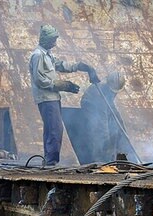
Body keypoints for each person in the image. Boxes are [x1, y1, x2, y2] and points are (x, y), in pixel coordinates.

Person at [29, 24, 100, 165]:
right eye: (52, 40)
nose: (54, 43)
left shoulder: (47, 55)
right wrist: (60, 85)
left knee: (52, 128)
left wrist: (80, 66)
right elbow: (40, 80)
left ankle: (50, 160)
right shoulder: (38, 56)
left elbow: (61, 65)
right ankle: (51, 162)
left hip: (53, 97)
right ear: (45, 39)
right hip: (46, 98)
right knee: (54, 129)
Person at [80, 71, 127, 163]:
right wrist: (107, 142)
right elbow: (103, 123)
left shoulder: (111, 89)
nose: (115, 93)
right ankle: (99, 159)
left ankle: (119, 155)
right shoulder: (99, 92)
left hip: (106, 103)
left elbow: (110, 105)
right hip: (90, 103)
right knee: (99, 130)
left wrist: (123, 133)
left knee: (119, 123)